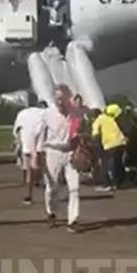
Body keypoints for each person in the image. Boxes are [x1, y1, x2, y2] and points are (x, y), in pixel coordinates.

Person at [37, 85, 83, 233]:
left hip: (70, 151)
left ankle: (73, 220)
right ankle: (51, 212)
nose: (59, 102)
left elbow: (81, 133)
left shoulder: (75, 113)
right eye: (57, 98)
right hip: (53, 151)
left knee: (74, 188)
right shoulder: (47, 114)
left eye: (62, 98)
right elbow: (40, 136)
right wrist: (37, 154)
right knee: (52, 187)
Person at [12, 101, 47, 204]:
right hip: (41, 147)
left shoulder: (23, 114)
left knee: (29, 171)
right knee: (44, 171)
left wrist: (18, 143)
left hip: (28, 146)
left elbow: (17, 131)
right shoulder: (45, 114)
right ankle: (46, 192)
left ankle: (29, 194)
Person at [91, 104, 128, 191]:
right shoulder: (110, 118)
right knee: (118, 163)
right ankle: (120, 183)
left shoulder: (98, 120)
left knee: (105, 165)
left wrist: (94, 140)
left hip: (110, 144)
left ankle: (106, 184)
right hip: (121, 141)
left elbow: (95, 134)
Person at [116, 105, 137, 184]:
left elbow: (127, 131)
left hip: (133, 140)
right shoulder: (133, 119)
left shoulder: (123, 120)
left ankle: (131, 177)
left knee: (129, 158)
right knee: (134, 158)